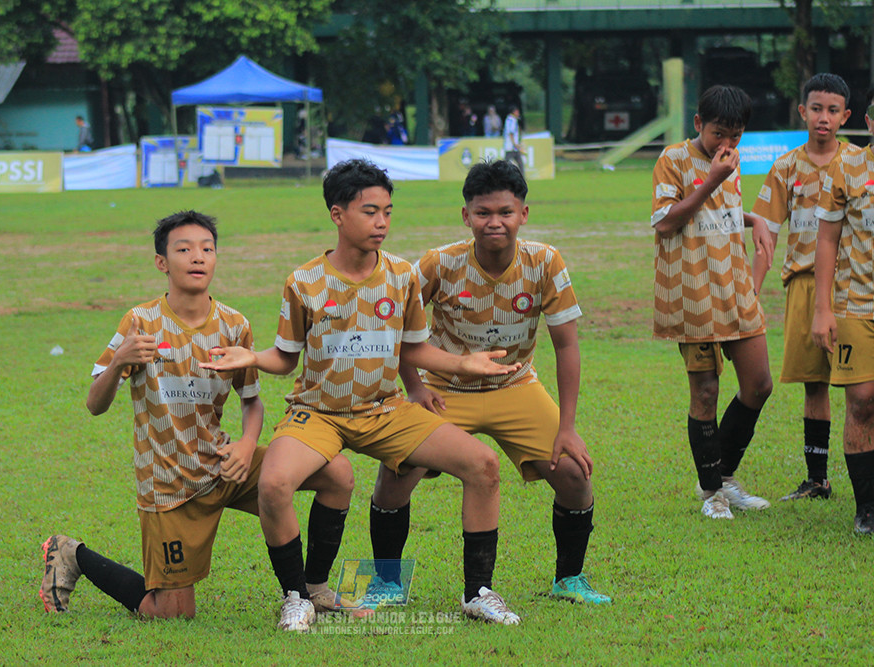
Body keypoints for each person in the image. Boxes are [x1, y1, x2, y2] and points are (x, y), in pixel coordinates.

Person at [201, 159, 524, 631]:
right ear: (337, 214)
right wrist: (250, 357)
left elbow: (414, 349)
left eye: (388, 212)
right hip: (319, 412)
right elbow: (285, 358)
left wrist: (462, 363)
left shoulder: (401, 276)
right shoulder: (304, 281)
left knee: (483, 465)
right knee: (273, 484)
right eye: (370, 211)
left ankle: (478, 593)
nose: (381, 223)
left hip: (385, 409)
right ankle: (300, 596)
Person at [38, 210, 355, 620]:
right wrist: (118, 362)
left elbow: (251, 399)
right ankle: (72, 555)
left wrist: (245, 445)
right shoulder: (140, 322)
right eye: (184, 249)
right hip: (170, 485)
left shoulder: (233, 324)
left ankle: (309, 592)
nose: (197, 257)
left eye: (207, 248)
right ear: (162, 262)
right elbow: (94, 405)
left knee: (337, 474)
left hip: (224, 465)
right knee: (170, 613)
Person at [369, 159, 611, 605]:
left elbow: (567, 347)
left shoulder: (545, 262)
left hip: (516, 387)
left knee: (575, 474)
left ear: (523, 214)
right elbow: (396, 331)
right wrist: (416, 389)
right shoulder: (438, 264)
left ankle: (569, 579)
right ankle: (386, 582)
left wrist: (568, 426)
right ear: (466, 216)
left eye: (505, 211)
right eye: (483, 213)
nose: (494, 222)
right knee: (395, 472)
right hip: (444, 391)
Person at [651, 84, 776, 519]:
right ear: (698, 123)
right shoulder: (672, 159)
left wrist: (754, 218)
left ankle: (723, 477)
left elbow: (715, 211)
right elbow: (667, 221)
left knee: (759, 384)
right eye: (719, 133)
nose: (727, 144)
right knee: (705, 392)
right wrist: (712, 179)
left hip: (735, 288)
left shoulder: (730, 161)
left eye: (736, 136)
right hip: (692, 292)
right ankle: (713, 493)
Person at [751, 73, 860, 501]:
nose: (824, 118)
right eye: (816, 108)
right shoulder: (784, 167)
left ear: (846, 116)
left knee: (861, 384)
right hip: (803, 285)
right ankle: (818, 479)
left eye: (833, 110)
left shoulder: (857, 163)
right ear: (803, 112)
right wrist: (750, 291)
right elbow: (766, 234)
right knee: (814, 383)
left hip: (853, 286)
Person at [812, 87, 874, 534]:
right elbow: (827, 240)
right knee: (863, 401)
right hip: (856, 303)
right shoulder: (847, 166)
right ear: (870, 121)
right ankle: (866, 510)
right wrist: (822, 309)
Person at [503, 107, 524, 173]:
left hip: (511, 146)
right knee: (508, 163)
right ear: (514, 112)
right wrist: (515, 144)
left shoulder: (509, 119)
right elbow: (511, 134)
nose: (518, 113)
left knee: (520, 163)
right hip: (511, 146)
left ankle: (522, 177)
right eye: (517, 112)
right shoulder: (512, 120)